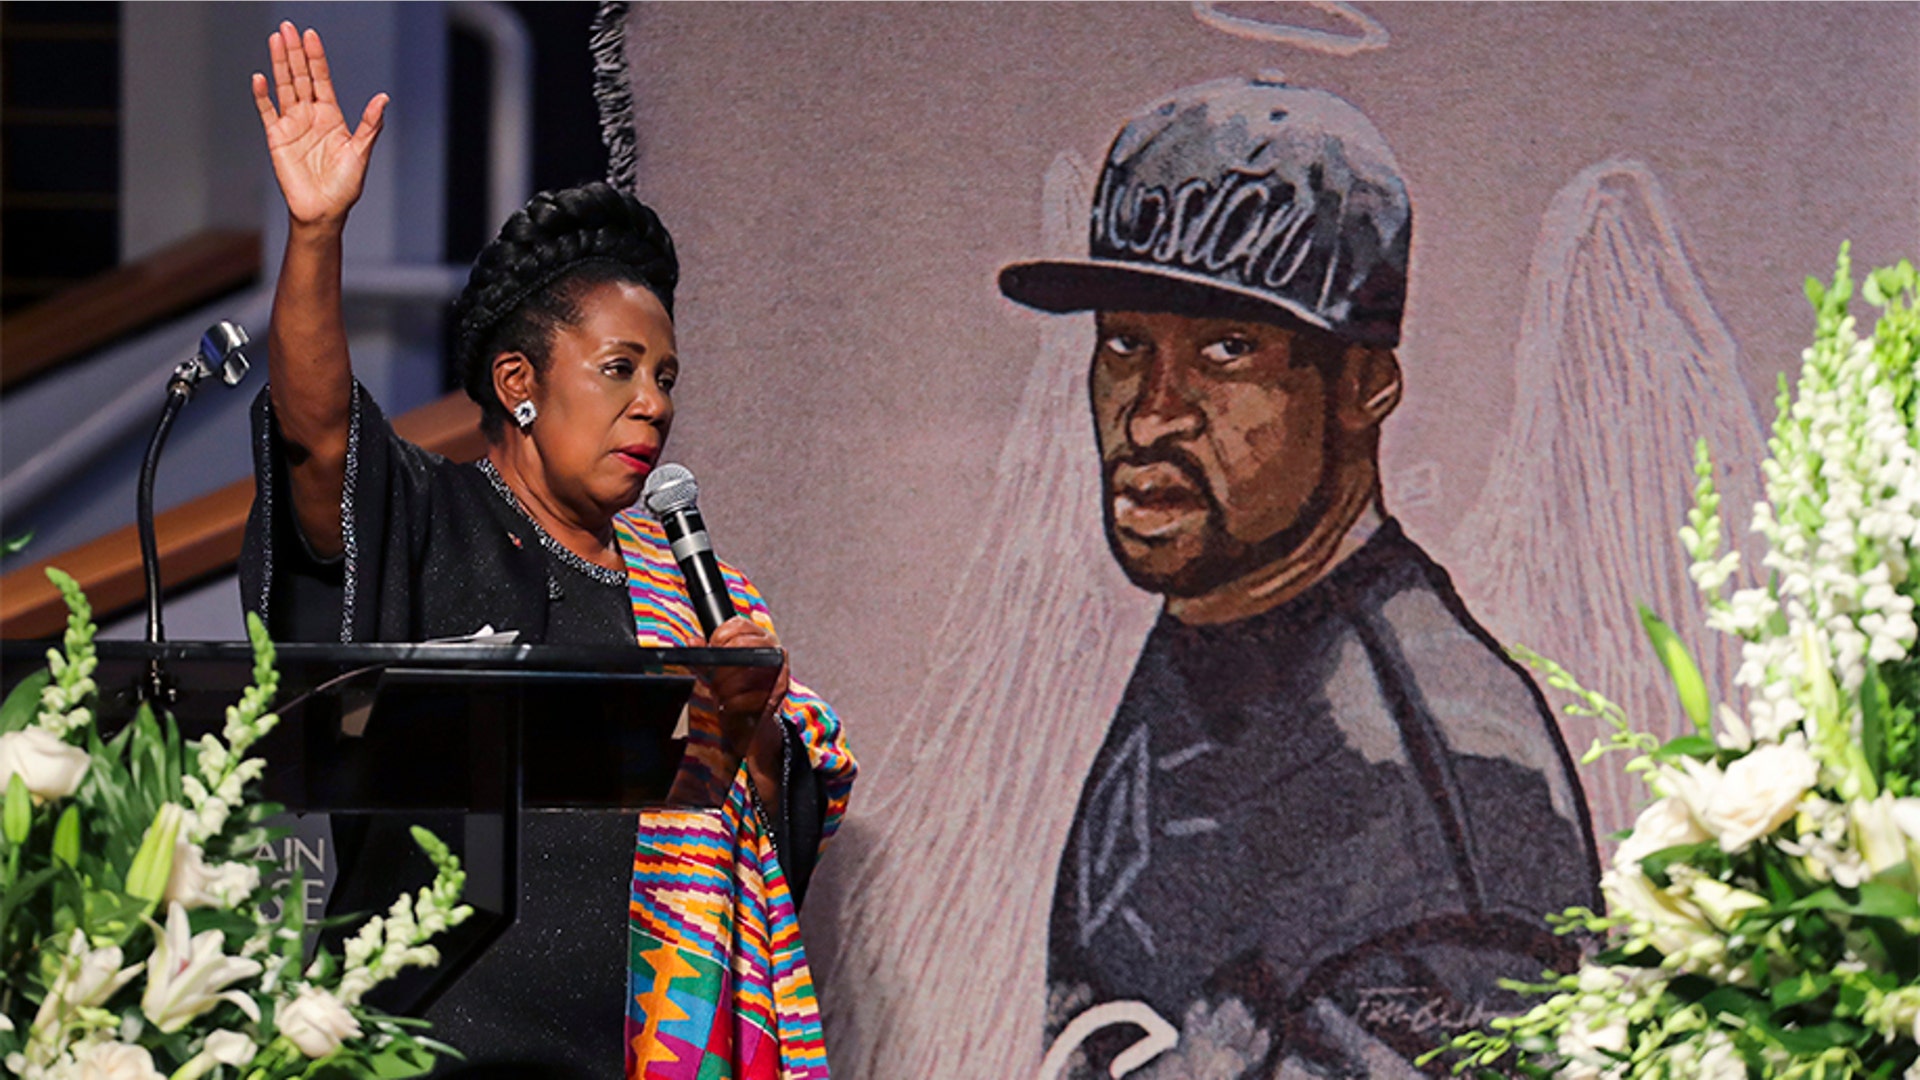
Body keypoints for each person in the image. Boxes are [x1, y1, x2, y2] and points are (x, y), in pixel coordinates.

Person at [239, 23, 853, 1080]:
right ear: (519, 384)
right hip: (425, 1056)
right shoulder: (432, 520)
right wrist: (317, 235)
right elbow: (318, 433)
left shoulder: (691, 592)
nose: (652, 402)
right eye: (619, 368)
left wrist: (749, 725)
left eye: (665, 376)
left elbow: (769, 852)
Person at [997, 77, 1600, 1078]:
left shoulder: (1437, 779)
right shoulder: (1227, 618)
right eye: (1126, 343)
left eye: (1227, 349)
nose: (1151, 413)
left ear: (1364, 385)